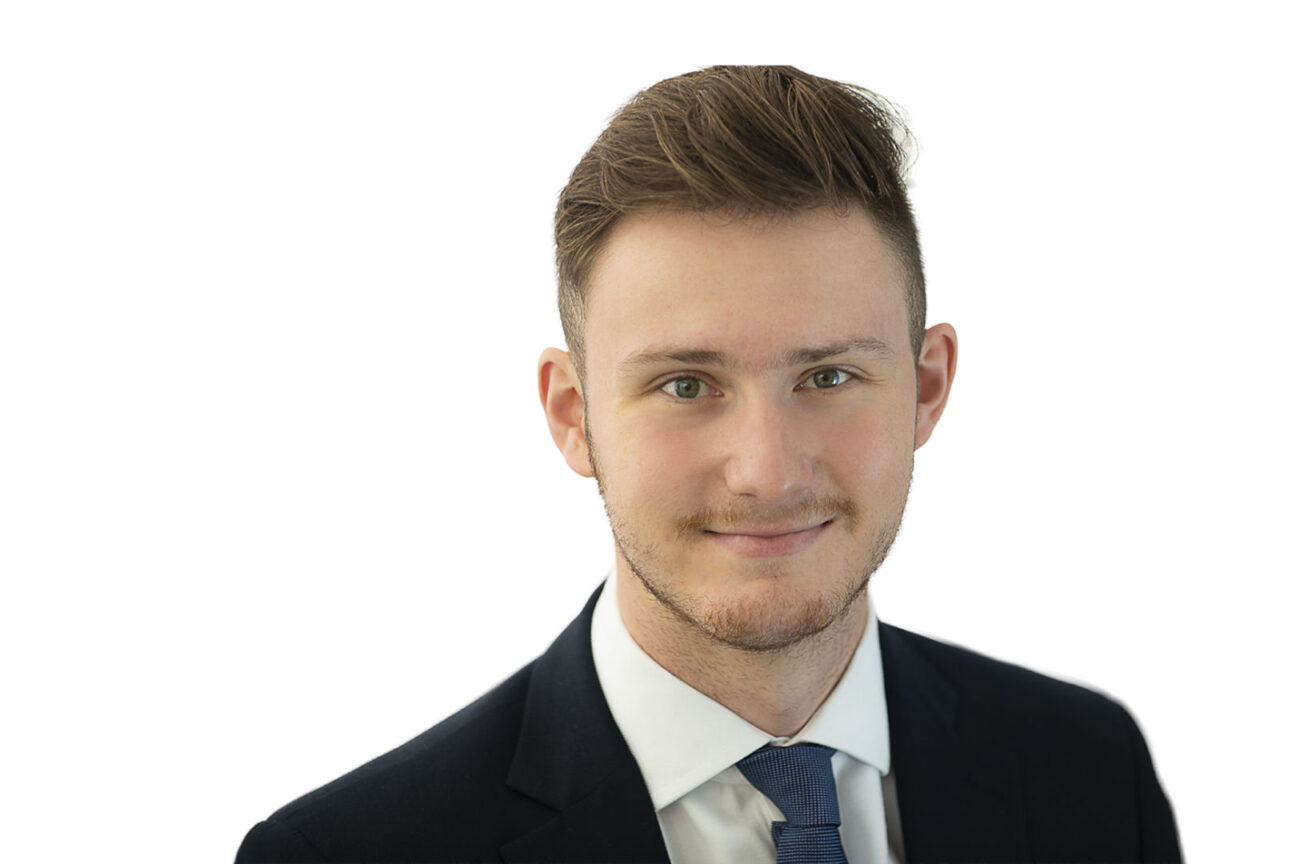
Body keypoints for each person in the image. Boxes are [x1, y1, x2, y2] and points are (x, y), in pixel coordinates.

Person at [235, 65, 1182, 864]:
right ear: (572, 415)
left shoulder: (1093, 775)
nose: (766, 472)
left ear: (927, 387)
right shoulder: (344, 854)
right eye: (686, 385)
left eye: (828, 375)